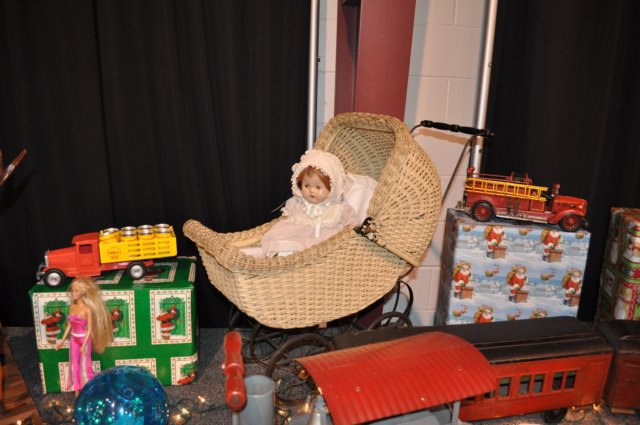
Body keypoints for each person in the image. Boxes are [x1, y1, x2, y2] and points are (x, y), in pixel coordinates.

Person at [258, 149, 361, 257]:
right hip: (296, 236)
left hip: (323, 243)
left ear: (332, 188)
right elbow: (287, 216)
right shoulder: (297, 202)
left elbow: (352, 223)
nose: (311, 190)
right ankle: (283, 256)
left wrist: (350, 230)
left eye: (318, 187)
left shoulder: (338, 207)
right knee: (280, 238)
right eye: (307, 186)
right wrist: (287, 216)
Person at [56, 277, 113, 396]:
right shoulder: (72, 307)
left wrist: (84, 344)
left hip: (83, 338)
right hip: (73, 338)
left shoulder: (87, 310)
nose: (73, 293)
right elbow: (69, 325)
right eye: (72, 290)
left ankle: (89, 387)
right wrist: (62, 340)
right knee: (74, 364)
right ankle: (77, 390)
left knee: (85, 364)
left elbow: (90, 329)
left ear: (83, 292)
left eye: (76, 291)